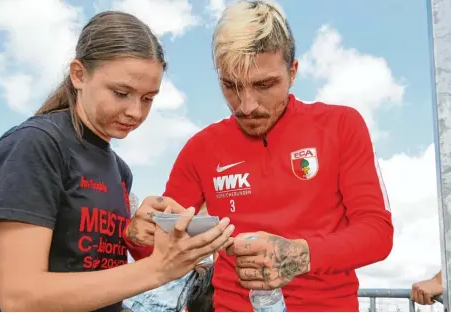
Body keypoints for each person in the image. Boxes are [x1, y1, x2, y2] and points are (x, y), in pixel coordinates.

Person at [125, 0, 394, 311]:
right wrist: (139, 234)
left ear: (293, 72)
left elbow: (377, 233)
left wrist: (297, 255)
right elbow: (165, 251)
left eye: (264, 85)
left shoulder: (341, 125)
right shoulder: (201, 148)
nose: (246, 105)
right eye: (231, 86)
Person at [0, 11, 235, 312]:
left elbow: (91, 268)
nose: (135, 112)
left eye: (148, 98)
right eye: (121, 93)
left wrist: (132, 232)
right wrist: (157, 269)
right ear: (78, 75)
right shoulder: (36, 145)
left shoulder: (120, 170)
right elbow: (19, 297)